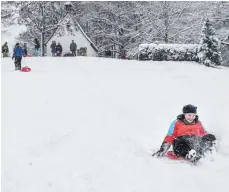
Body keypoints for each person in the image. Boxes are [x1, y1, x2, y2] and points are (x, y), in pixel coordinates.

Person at [153, 104, 218, 162]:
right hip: (182, 142)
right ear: (184, 114)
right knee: (179, 143)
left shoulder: (198, 123)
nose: (191, 117)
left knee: (210, 136)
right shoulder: (177, 123)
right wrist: (162, 150)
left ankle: (210, 151)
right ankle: (189, 155)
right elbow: (170, 136)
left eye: (193, 115)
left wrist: (208, 139)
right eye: (189, 115)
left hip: (195, 142)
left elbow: (203, 133)